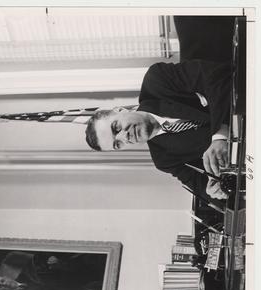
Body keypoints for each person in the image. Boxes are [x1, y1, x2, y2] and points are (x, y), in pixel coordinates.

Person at [85, 59, 233, 200]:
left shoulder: (157, 80)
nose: (125, 137)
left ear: (120, 110)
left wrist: (219, 136)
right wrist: (215, 190)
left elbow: (216, 77)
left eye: (116, 128)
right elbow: (202, 187)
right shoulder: (163, 159)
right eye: (118, 144)